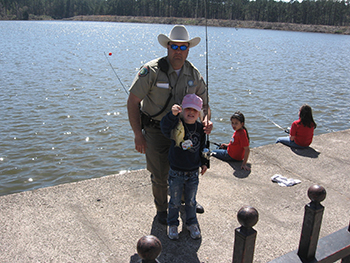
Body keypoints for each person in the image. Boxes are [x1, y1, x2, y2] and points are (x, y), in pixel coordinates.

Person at [127, 25, 212, 225]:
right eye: (175, 46)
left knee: (186, 169)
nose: (178, 51)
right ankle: (162, 209)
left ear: (188, 50)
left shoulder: (193, 74)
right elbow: (132, 101)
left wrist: (206, 119)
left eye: (183, 48)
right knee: (160, 174)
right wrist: (138, 134)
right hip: (155, 131)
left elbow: (205, 104)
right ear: (167, 47)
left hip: (184, 131)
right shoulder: (151, 71)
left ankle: (184, 202)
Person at [160, 94, 208, 240]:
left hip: (193, 171)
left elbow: (203, 147)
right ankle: (172, 223)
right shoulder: (176, 123)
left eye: (195, 110)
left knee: (191, 200)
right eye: (187, 109)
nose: (191, 112)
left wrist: (205, 162)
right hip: (176, 170)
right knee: (174, 201)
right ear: (182, 110)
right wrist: (172, 115)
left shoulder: (200, 128)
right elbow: (165, 127)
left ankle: (191, 222)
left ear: (199, 113)